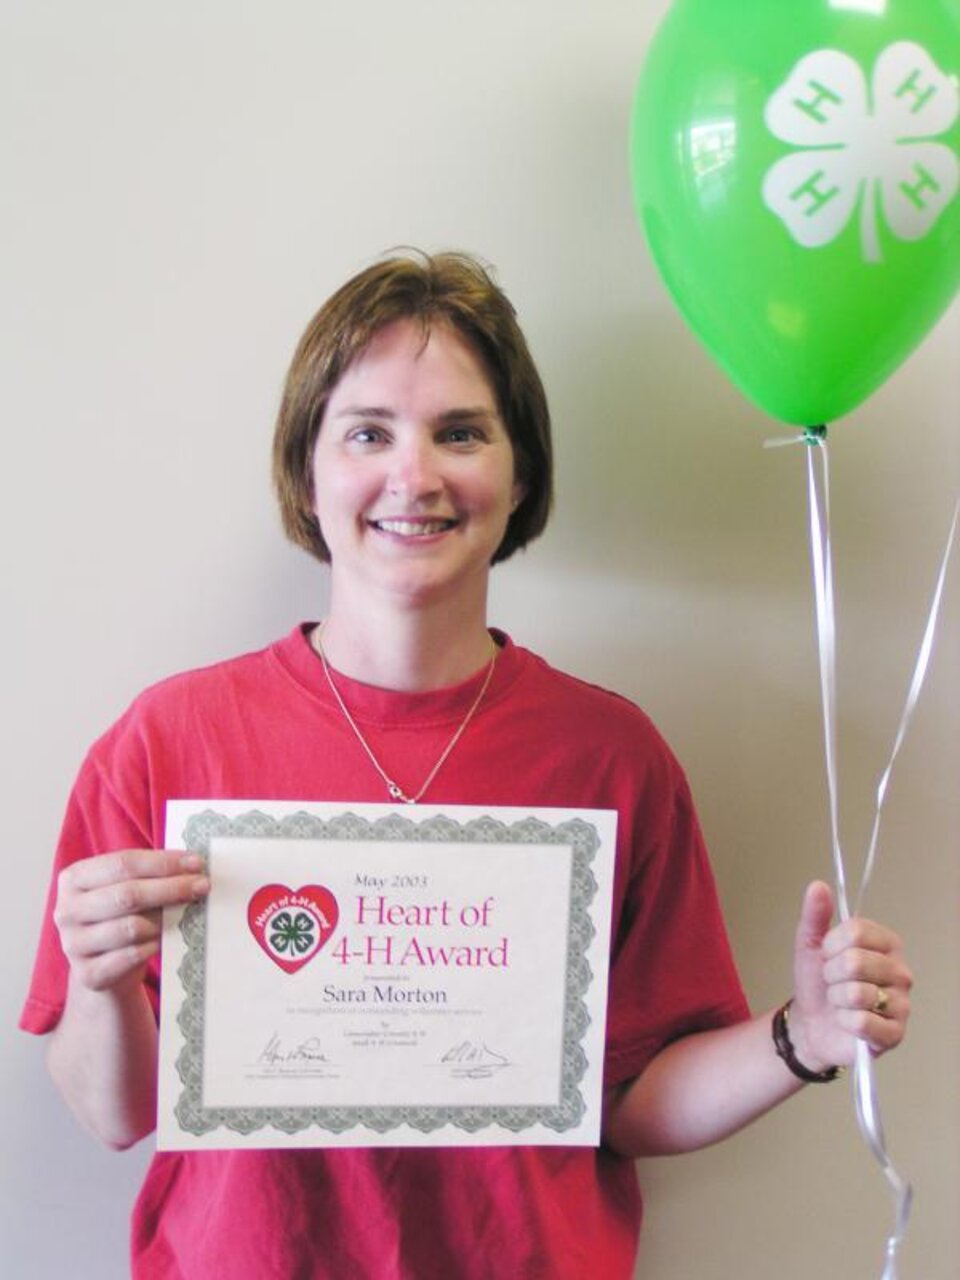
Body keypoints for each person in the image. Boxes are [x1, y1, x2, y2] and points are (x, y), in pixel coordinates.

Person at [21, 251, 912, 1279]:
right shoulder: (171, 739)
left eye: (461, 432)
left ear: (519, 471)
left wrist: (804, 1034)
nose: (416, 476)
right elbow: (112, 1113)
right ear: (307, 472)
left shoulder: (608, 756)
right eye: (368, 432)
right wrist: (97, 979)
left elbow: (623, 1098)